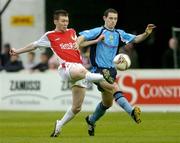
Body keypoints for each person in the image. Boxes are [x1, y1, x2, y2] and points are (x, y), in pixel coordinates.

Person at [9, 9, 112, 137]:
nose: (65, 23)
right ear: (55, 21)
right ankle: (100, 76)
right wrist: (17, 51)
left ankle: (59, 124)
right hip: (66, 68)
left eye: (67, 21)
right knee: (88, 73)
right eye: (63, 21)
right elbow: (34, 45)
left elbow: (79, 44)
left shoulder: (72, 32)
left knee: (77, 107)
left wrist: (96, 41)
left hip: (79, 69)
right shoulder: (50, 36)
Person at [78, 8, 156, 136]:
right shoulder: (98, 31)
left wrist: (146, 33)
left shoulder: (119, 34)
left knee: (107, 103)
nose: (113, 21)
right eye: (110, 18)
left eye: (115, 19)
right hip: (97, 70)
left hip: (111, 71)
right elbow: (81, 37)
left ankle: (91, 120)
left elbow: (136, 39)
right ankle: (132, 112)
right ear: (105, 18)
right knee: (114, 87)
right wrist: (78, 43)